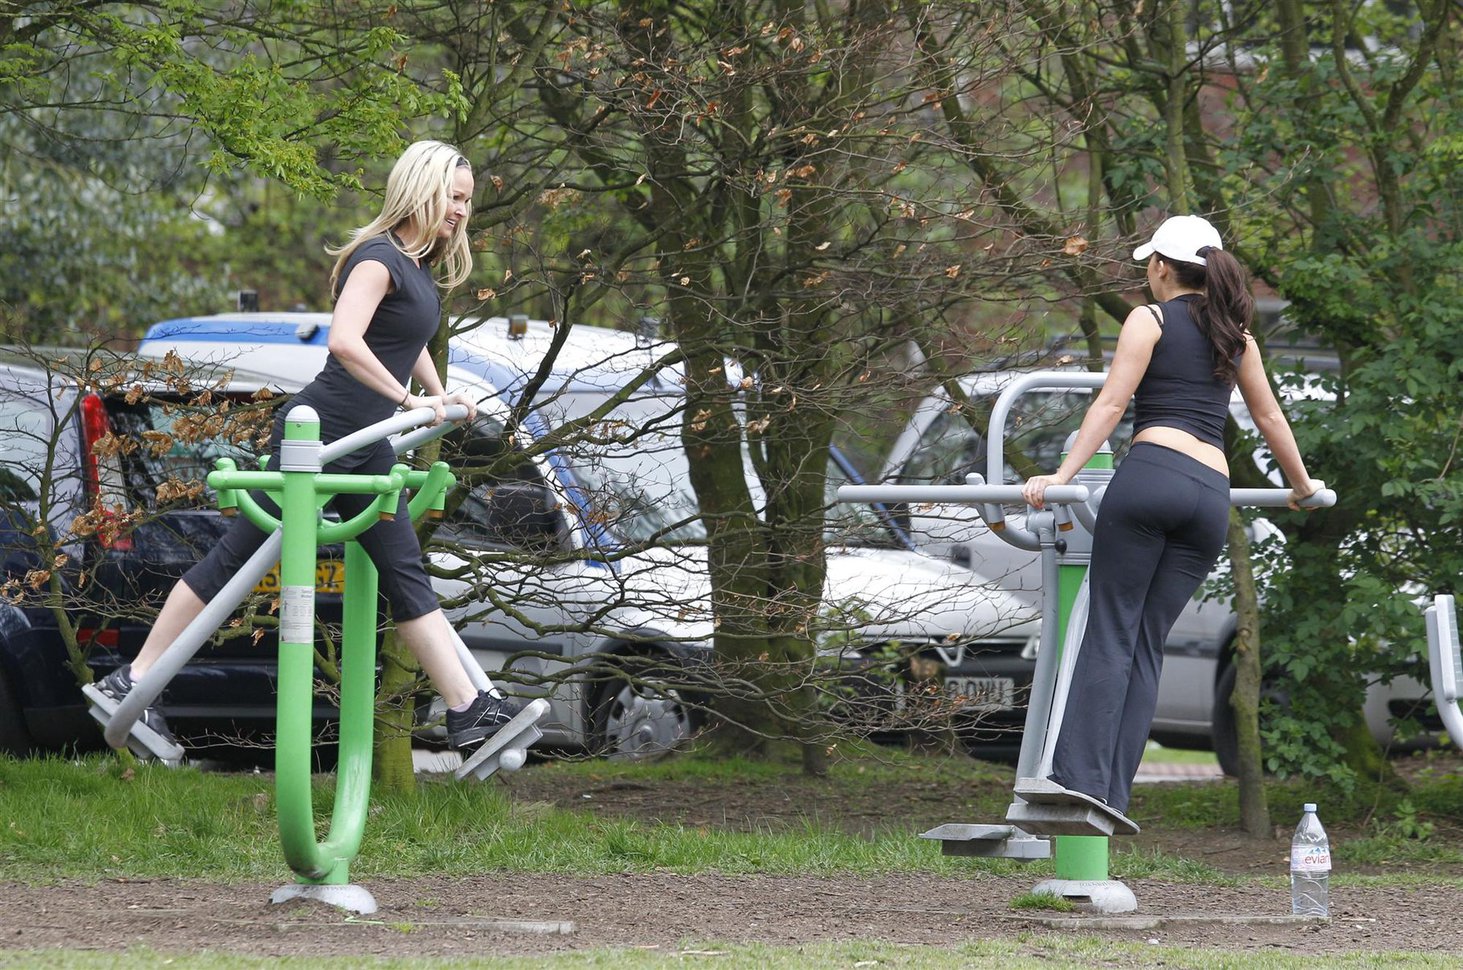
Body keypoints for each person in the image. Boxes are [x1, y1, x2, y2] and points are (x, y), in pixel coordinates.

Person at [95, 140, 523, 752]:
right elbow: (347, 342)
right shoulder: (377, 259)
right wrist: (408, 403)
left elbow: (407, 338)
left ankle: (466, 709)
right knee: (239, 560)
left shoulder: (416, 265)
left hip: (363, 443)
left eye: (466, 201)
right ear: (422, 189)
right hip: (319, 432)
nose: (461, 211)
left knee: (405, 571)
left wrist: (440, 392)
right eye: (454, 198)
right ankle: (132, 680)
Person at [1014, 214, 1325, 834]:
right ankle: (1113, 794)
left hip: (1151, 477)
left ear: (1161, 267)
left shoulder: (1147, 320)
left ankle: (1079, 779)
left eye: (1147, 265)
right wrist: (1301, 487)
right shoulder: (1235, 333)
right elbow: (1269, 418)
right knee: (1147, 642)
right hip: (1208, 498)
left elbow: (1110, 403)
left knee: (1111, 629)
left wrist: (1058, 475)